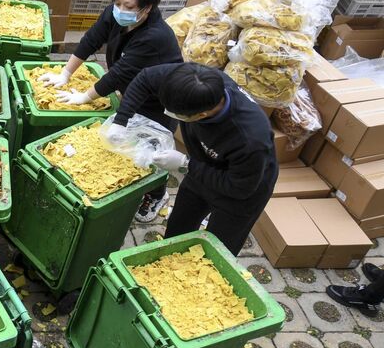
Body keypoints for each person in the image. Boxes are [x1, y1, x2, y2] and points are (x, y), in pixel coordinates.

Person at [41, 0, 183, 222]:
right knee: (123, 143)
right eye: (117, 3)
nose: (119, 10)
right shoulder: (116, 14)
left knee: (148, 151)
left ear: (147, 8)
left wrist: (85, 97)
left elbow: (119, 73)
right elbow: (92, 39)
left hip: (157, 103)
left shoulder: (155, 37)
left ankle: (158, 193)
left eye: (128, 6)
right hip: (130, 90)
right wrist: (65, 73)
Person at [107, 62, 278, 255]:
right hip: (202, 165)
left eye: (176, 114)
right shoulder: (191, 81)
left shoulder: (250, 137)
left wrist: (185, 163)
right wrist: (121, 121)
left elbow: (239, 188)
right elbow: (145, 77)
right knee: (179, 227)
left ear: (202, 114)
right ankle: (169, 262)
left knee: (217, 249)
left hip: (243, 188)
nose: (169, 114)